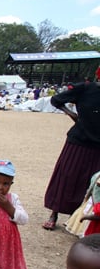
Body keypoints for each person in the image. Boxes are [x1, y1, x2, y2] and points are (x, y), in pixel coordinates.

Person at [42, 74, 100, 231]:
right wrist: (71, 113)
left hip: (98, 146)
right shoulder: (86, 88)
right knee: (66, 176)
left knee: (91, 182)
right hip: (78, 141)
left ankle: (78, 219)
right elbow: (57, 100)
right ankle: (54, 214)